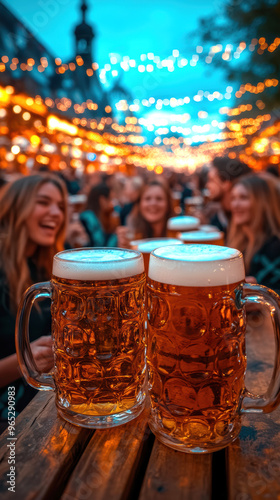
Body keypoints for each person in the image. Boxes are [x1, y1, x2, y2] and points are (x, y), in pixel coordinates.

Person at [0, 173, 68, 432]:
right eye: (43, 202)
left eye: (60, 206)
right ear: (16, 207)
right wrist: (24, 362)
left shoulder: (52, 261)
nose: (55, 213)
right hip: (12, 416)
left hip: (48, 401)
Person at [228, 173, 280, 293]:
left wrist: (259, 294)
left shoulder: (274, 247)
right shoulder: (239, 242)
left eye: (243, 197)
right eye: (233, 198)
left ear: (262, 202)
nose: (235, 205)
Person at [117, 179, 174, 248]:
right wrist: (125, 248)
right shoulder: (132, 231)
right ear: (139, 204)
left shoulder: (179, 233)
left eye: (159, 198)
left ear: (168, 204)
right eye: (147, 198)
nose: (153, 203)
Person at [205, 156, 252, 237]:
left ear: (225, 183)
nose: (207, 185)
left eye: (211, 180)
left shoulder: (243, 218)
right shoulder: (220, 215)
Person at [79, 183, 118, 247]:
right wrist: (115, 236)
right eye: (110, 199)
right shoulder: (88, 218)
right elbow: (99, 245)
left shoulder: (100, 216)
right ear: (102, 200)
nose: (112, 204)